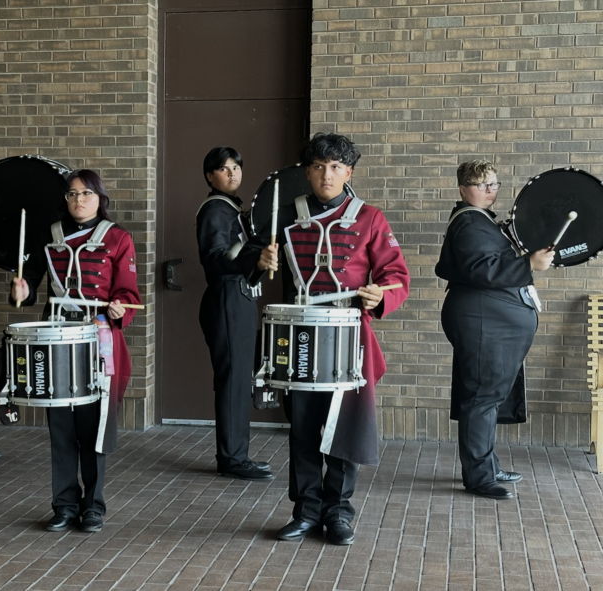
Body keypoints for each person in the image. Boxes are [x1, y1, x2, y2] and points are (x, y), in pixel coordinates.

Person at [257, 133, 410, 545]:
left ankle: (338, 512)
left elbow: (398, 278)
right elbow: (252, 275)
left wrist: (382, 294)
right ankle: (305, 511)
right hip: (300, 335)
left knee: (343, 427)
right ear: (308, 172)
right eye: (320, 166)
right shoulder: (286, 216)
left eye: (337, 167)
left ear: (350, 172)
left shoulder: (370, 218)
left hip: (349, 336)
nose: (328, 175)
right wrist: (260, 263)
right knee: (302, 427)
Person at [10, 169, 141, 533]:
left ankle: (93, 506)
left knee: (94, 426)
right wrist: (22, 292)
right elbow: (32, 282)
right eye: (71, 194)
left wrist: (120, 307)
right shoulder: (50, 236)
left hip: (98, 338)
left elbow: (129, 294)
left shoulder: (117, 238)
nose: (78, 201)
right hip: (57, 339)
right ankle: (64, 505)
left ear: (100, 198)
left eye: (86, 194)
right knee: (61, 428)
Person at [436, 160, 552, 500]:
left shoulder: (482, 220)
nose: (489, 191)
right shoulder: (470, 223)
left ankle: (485, 464)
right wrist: (529, 263)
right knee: (482, 397)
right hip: (483, 321)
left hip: (489, 320)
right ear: (462, 188)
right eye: (480, 184)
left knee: (487, 396)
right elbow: (480, 269)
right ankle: (479, 476)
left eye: (494, 184)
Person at [195, 146, 273, 481]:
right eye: (225, 169)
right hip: (227, 297)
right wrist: (251, 260)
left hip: (238, 297)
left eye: (237, 168)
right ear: (210, 176)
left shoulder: (233, 209)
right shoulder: (215, 208)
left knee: (240, 379)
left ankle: (237, 454)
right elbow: (213, 258)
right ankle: (232, 458)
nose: (233, 174)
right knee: (233, 381)